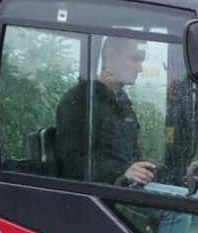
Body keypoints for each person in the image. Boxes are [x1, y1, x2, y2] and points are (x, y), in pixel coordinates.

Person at [54, 36, 156, 185]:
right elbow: (74, 164)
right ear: (111, 56)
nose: (140, 69)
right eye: (134, 59)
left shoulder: (122, 104)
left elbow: (132, 155)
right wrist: (121, 176)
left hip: (126, 191)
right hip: (101, 197)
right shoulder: (81, 100)